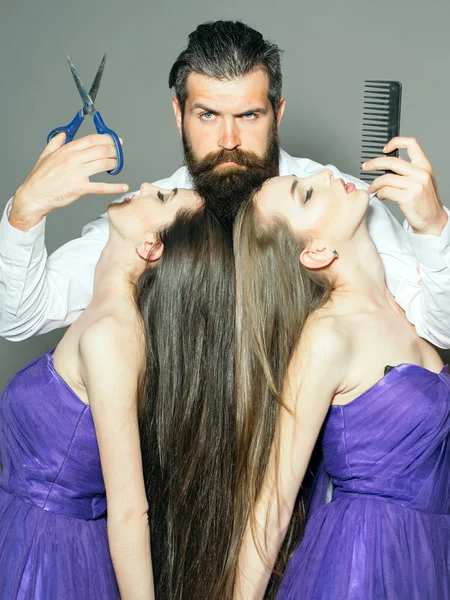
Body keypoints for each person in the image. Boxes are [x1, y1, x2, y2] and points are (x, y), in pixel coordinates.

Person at [1, 20, 450, 350]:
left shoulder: (347, 204)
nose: (229, 141)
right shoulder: (144, 217)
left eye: (248, 116)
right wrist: (25, 212)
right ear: (180, 115)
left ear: (278, 114)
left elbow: (440, 328)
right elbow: (18, 319)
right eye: (208, 115)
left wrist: (433, 227)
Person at [0, 138, 237, 600]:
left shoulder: (111, 334)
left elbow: (130, 510)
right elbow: (16, 313)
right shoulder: (106, 313)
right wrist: (28, 207)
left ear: (150, 247)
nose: (149, 184)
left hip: (46, 559)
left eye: (163, 198)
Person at [231, 153, 450, 599]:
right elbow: (273, 503)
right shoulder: (328, 336)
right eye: (307, 191)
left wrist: (434, 223)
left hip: (430, 556)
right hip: (364, 563)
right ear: (315, 252)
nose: (328, 174)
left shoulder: (417, 310)